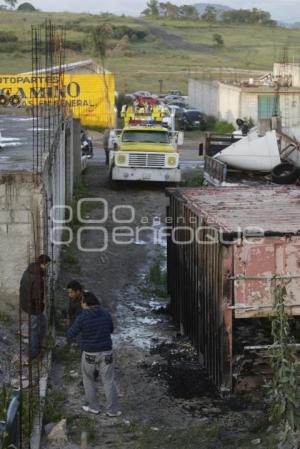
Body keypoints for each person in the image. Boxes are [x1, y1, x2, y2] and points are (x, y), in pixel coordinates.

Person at [67, 292, 121, 417]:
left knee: (88, 379)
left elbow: (71, 333)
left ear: (85, 303)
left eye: (82, 302)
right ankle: (112, 410)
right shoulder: (106, 313)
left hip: (89, 353)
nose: (81, 304)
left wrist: (81, 337)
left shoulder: (82, 316)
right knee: (108, 380)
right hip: (107, 352)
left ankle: (93, 407)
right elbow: (111, 329)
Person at [20, 254, 51, 359]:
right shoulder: (37, 278)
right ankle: (33, 353)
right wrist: (41, 306)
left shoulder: (29, 270)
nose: (47, 268)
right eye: (47, 265)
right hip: (32, 307)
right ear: (43, 264)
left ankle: (39, 344)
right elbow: (36, 298)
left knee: (42, 323)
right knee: (34, 329)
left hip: (25, 303)